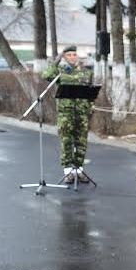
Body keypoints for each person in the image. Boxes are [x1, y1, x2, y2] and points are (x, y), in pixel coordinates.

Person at [41, 45, 93, 183]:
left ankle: (79, 170)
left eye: (74, 54)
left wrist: (90, 108)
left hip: (82, 114)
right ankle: (68, 172)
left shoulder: (86, 73)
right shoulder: (60, 72)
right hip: (65, 114)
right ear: (65, 57)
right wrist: (57, 59)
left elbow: (90, 93)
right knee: (66, 142)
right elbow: (46, 75)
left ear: (77, 56)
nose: (72, 57)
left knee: (81, 143)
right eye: (68, 55)